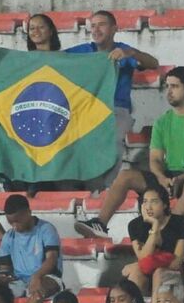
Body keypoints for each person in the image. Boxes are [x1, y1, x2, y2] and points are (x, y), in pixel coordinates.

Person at [77, 65, 184, 236]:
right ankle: (100, 223)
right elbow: (155, 158)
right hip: (168, 175)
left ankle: (166, 231)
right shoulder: (163, 121)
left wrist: (181, 177)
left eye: (175, 86)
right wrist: (161, 177)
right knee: (125, 175)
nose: (169, 91)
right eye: (167, 86)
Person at [65, 11, 159, 193]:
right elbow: (52, 60)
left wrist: (131, 53)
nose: (96, 29)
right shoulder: (82, 51)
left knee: (112, 141)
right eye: (93, 26)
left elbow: (153, 63)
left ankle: (107, 188)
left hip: (116, 109)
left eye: (102, 24)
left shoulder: (123, 50)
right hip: (85, 111)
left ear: (114, 28)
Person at [0, 194, 63, 303]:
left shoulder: (46, 229)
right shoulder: (9, 236)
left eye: (17, 221)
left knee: (38, 290)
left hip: (47, 277)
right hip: (19, 281)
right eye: (11, 222)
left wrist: (37, 277)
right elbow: (3, 268)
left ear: (28, 213)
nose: (14, 226)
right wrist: (3, 278)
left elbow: (52, 258)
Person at [122, 186, 184, 296]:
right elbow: (143, 258)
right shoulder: (135, 225)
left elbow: (176, 262)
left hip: (174, 272)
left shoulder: (179, 222)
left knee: (156, 273)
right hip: (146, 272)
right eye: (145, 202)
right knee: (136, 273)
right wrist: (155, 226)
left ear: (165, 205)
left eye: (154, 202)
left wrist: (139, 265)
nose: (148, 207)